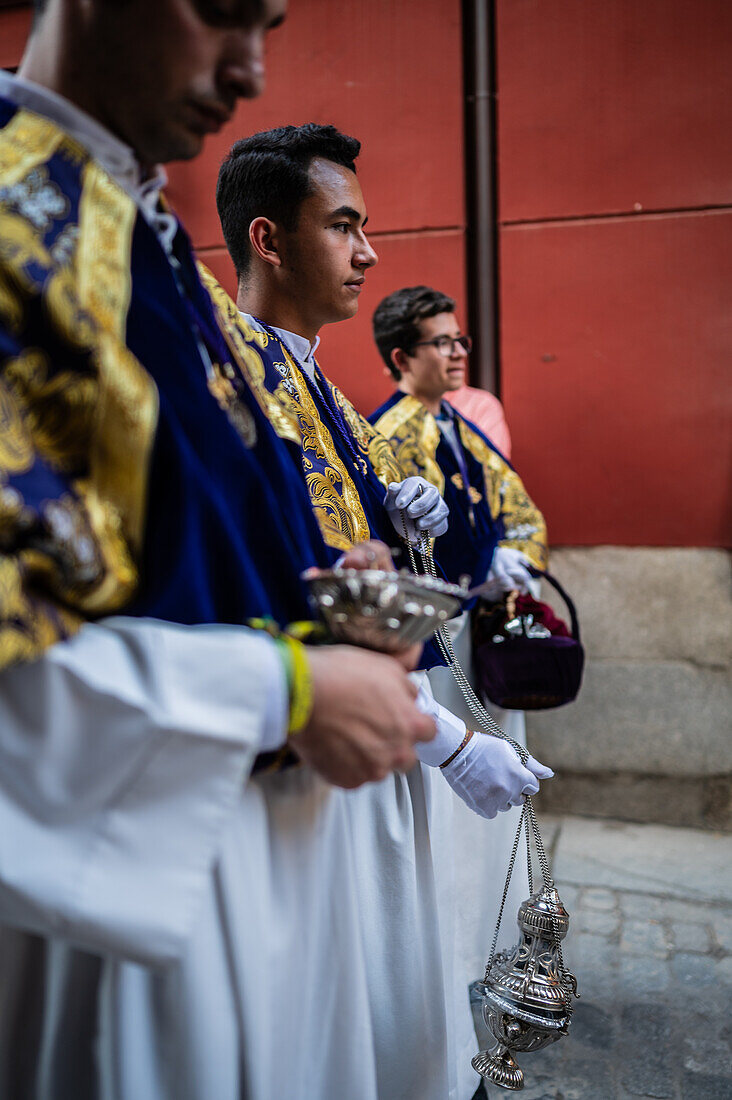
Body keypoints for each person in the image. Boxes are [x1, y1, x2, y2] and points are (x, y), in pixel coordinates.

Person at [0, 4, 448, 1098]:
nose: (251, 68)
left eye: (269, 20)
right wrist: (289, 684)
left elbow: (170, 537)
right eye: (221, 11)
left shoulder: (137, 226)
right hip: (121, 885)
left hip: (242, 853)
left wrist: (303, 587)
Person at [215, 124, 553, 1097]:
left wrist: (412, 522)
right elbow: (283, 582)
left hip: (378, 733)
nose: (369, 253)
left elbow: (358, 556)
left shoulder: (314, 374)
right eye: (346, 226)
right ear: (271, 239)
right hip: (320, 747)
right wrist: (444, 736)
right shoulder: (237, 378)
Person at [370, 284, 550, 992]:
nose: (455, 354)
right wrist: (483, 563)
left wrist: (516, 556)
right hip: (436, 644)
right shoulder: (387, 432)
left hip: (475, 634)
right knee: (450, 808)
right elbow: (402, 550)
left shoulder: (458, 425)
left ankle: (482, 941)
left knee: (487, 812)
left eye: (458, 341)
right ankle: (448, 951)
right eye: (440, 343)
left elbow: (517, 506)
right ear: (400, 357)